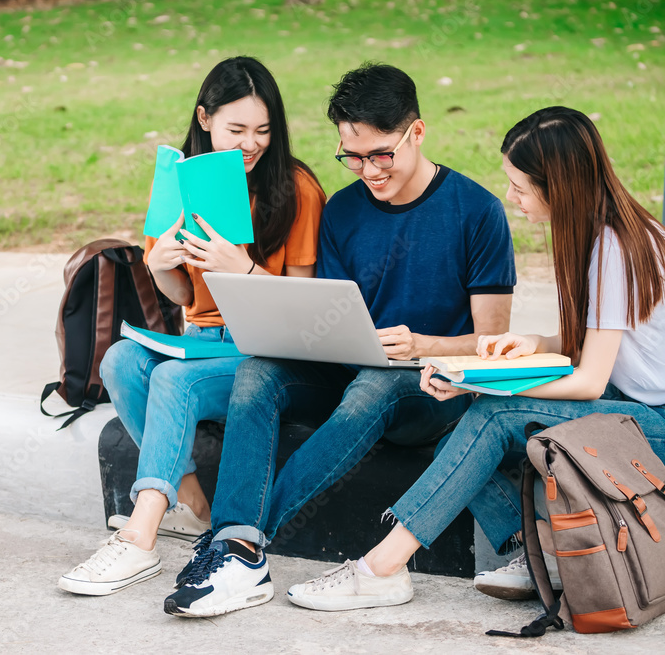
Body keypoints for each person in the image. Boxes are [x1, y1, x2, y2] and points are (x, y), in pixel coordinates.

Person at [280, 106, 665, 612]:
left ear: (557, 185)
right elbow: (600, 339)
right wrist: (534, 343)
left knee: (493, 413)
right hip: (633, 404)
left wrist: (482, 383)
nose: (511, 197)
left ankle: (381, 568)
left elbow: (587, 381)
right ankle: (530, 547)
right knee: (459, 429)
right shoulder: (604, 233)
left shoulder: (613, 249)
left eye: (520, 186)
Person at [164, 63, 516, 617]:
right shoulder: (345, 209)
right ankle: (238, 543)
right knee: (259, 373)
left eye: (381, 155)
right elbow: (323, 316)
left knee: (375, 385)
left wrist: (423, 344)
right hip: (351, 370)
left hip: (432, 389)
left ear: (416, 132)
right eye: (352, 157)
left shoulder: (477, 212)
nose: (368, 171)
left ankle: (239, 548)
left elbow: (493, 342)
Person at [57, 56, 326, 596]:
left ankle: (138, 538)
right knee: (121, 360)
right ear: (205, 118)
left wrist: (245, 270)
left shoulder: (296, 189)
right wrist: (160, 270)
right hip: (202, 343)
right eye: (237, 129)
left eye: (263, 131)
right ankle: (195, 505)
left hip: (265, 354)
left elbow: (308, 311)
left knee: (173, 380)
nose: (251, 144)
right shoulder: (183, 183)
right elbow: (184, 298)